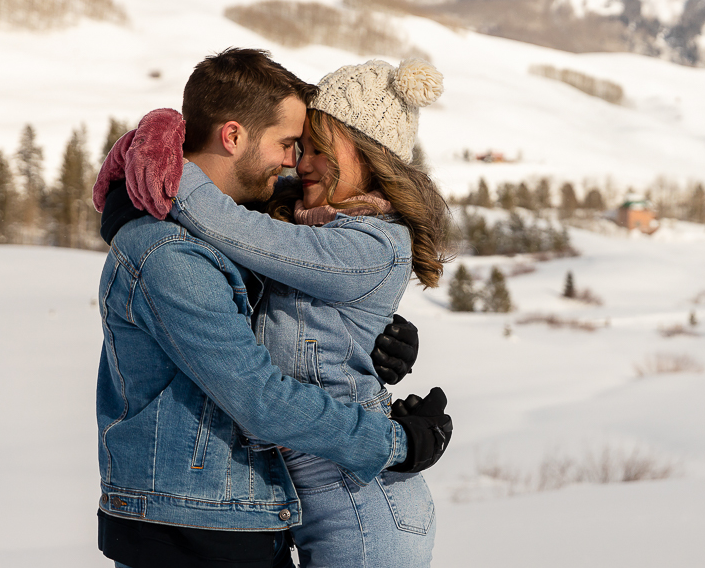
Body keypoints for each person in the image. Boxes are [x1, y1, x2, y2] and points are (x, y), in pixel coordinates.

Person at [94, 48, 449, 568]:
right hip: (203, 527)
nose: (295, 162)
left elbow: (272, 266)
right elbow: (260, 397)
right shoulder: (173, 253)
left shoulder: (286, 234)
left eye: (309, 148)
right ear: (234, 137)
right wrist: (395, 441)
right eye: (291, 144)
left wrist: (369, 336)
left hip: (294, 508)